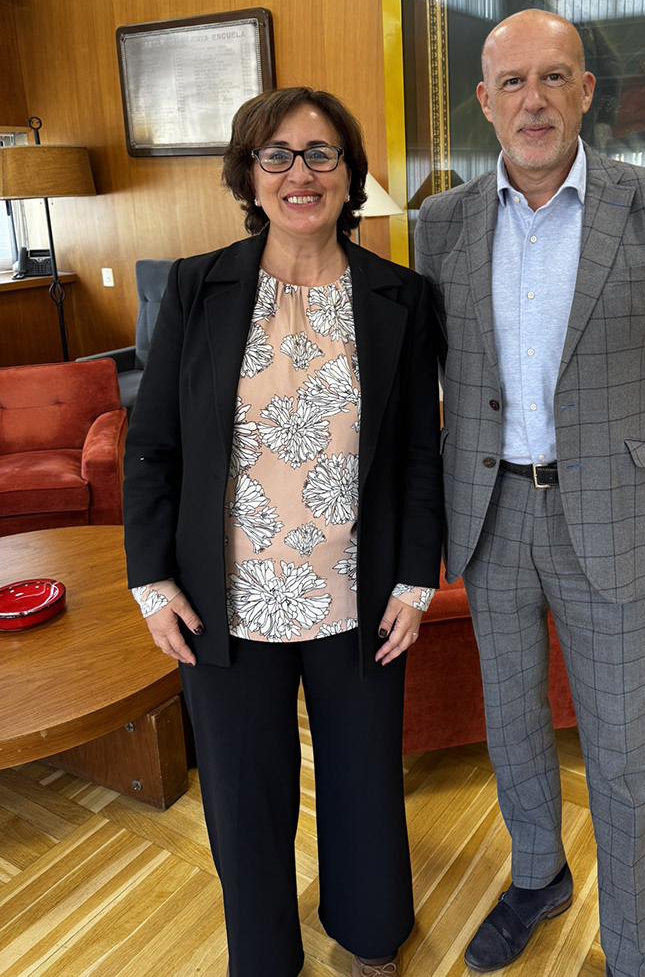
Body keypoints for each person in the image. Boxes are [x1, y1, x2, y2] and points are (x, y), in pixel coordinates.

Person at [413, 8, 645, 976]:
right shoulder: (443, 221)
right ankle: (537, 873)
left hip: (611, 516)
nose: (533, 99)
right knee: (512, 721)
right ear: (485, 102)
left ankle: (632, 951)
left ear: (586, 90)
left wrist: (625, 455)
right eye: (512, 82)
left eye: (554, 77)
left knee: (623, 754)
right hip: (491, 514)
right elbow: (440, 369)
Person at [123, 88, 444, 977]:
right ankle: (263, 958)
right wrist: (153, 583)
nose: (300, 173)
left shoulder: (400, 297)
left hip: (361, 596)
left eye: (321, 154)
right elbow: (151, 447)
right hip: (222, 601)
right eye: (278, 155)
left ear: (350, 177)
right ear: (249, 175)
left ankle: (370, 933)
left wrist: (416, 582)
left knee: (364, 780)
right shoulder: (197, 286)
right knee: (242, 795)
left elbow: (423, 451)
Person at [530, 0, 624, 148]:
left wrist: (605, 120)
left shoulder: (585, 19)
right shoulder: (528, 17)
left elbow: (612, 67)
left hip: (584, 126)